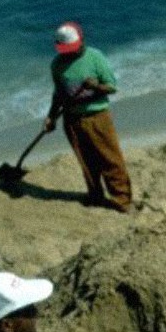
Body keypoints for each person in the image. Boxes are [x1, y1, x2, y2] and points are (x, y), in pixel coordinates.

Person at [44, 22, 132, 213]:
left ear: (82, 40)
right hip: (72, 119)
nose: (71, 53)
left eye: (74, 49)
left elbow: (112, 87)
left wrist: (95, 87)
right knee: (86, 162)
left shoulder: (95, 57)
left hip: (97, 116)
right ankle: (95, 196)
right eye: (66, 50)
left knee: (110, 160)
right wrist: (51, 117)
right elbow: (58, 94)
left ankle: (122, 200)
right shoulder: (57, 65)